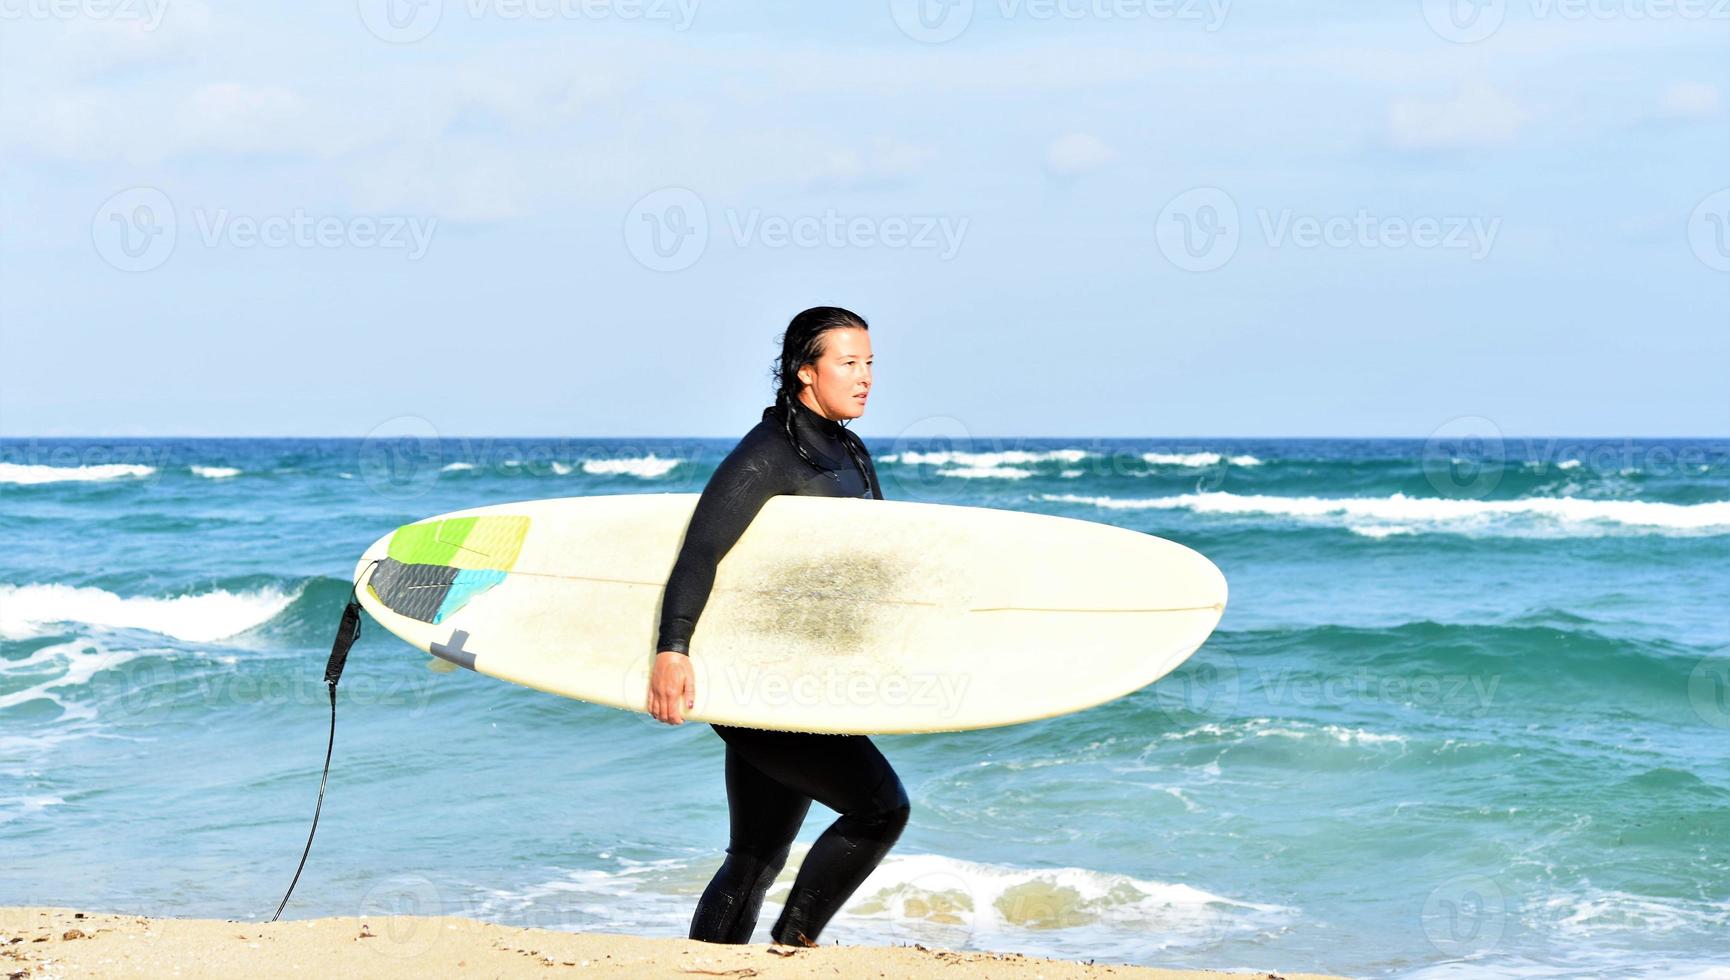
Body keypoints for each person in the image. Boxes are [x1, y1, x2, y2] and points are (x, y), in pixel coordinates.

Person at [647, 306, 911, 947]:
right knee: (880, 807)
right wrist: (672, 650)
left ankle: (708, 962)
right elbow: (701, 551)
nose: (865, 376)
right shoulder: (767, 456)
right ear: (804, 373)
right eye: (848, 363)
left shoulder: (847, 448)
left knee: (755, 856)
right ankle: (796, 947)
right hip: (759, 687)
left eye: (870, 362)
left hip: (803, 678)